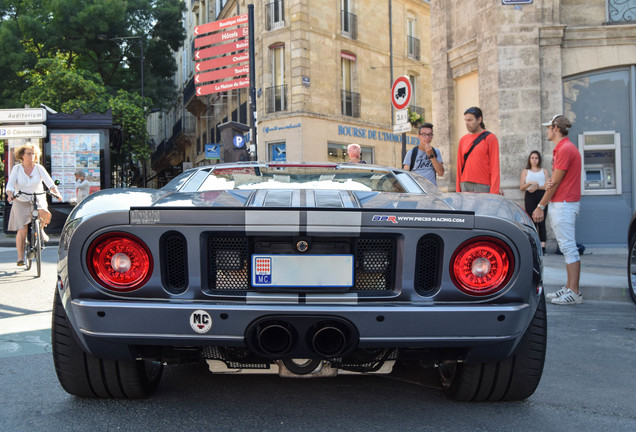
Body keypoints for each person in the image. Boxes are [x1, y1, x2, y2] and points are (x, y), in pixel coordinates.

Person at [532, 114, 582, 305]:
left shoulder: (564, 149)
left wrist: (540, 206)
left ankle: (574, 292)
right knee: (567, 247)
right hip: (564, 203)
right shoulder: (564, 148)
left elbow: (555, 183)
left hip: (565, 204)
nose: (547, 131)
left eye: (548, 128)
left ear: (555, 128)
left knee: (569, 248)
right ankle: (570, 288)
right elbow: (553, 181)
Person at [6, 143, 62, 266]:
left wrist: (57, 193)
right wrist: (10, 194)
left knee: (43, 210)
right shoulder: (17, 169)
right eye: (29, 153)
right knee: (22, 229)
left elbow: (50, 183)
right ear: (22, 155)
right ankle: (20, 258)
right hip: (21, 200)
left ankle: (41, 229)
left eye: (34, 154)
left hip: (37, 197)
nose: (32, 156)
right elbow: (10, 185)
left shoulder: (39, 168)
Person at [456, 106, 500, 194]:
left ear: (479, 120)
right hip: (465, 184)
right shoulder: (463, 140)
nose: (467, 123)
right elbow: (459, 166)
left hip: (483, 185)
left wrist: (494, 193)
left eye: (470, 120)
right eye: (466, 120)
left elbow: (495, 167)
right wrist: (458, 190)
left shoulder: (490, 138)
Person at [520, 151, 550, 253]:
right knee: (531, 221)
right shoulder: (525, 171)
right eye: (532, 158)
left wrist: (537, 187)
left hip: (542, 195)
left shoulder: (544, 171)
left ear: (539, 159)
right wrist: (529, 183)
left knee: (542, 221)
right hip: (529, 196)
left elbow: (547, 186)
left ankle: (542, 246)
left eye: (536, 158)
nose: (534, 160)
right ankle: (532, 245)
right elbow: (521, 187)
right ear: (529, 159)